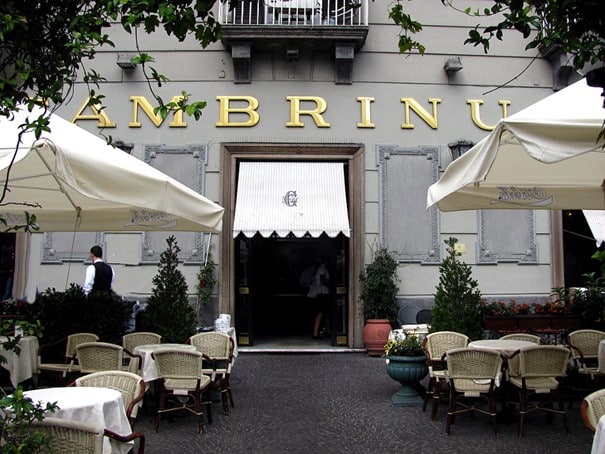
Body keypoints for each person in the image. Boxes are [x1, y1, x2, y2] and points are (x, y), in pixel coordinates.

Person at [312, 255, 330, 339]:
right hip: (323, 293)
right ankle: (315, 332)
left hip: (322, 293)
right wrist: (330, 286)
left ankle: (327, 330)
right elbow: (322, 280)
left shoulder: (320, 269)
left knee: (325, 313)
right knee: (321, 312)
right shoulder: (322, 268)